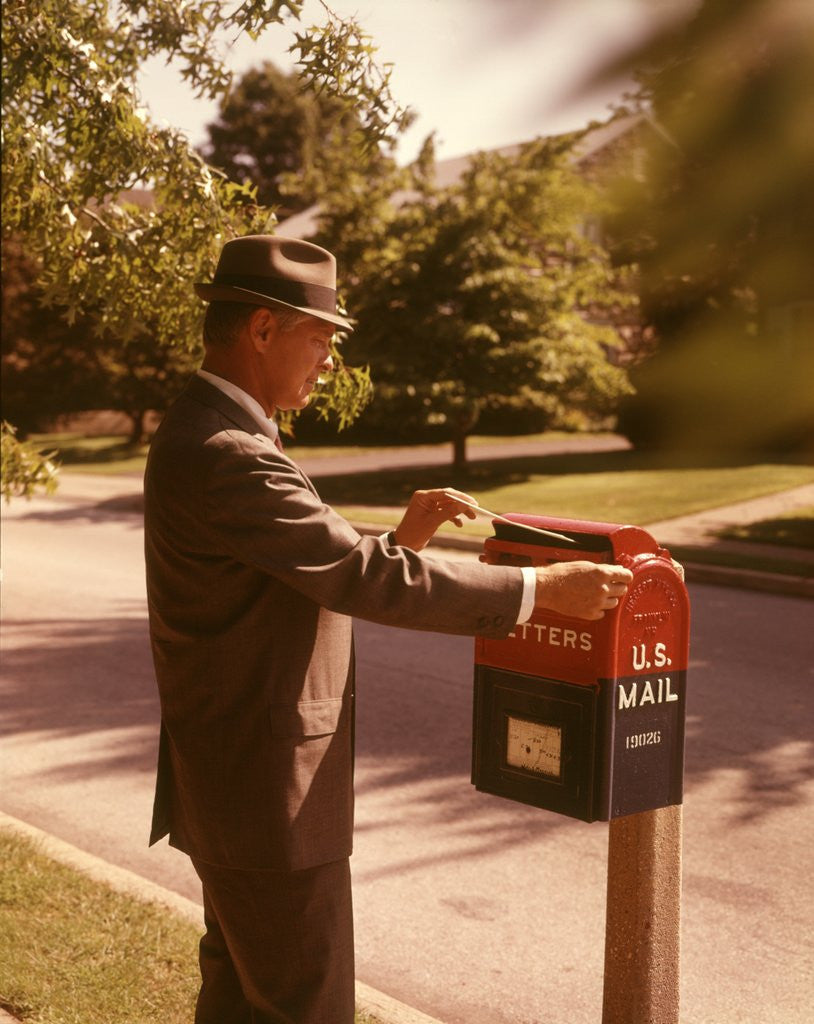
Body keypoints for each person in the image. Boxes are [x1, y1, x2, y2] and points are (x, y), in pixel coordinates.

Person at [143, 234, 632, 1023]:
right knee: (308, 1007)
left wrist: (401, 541)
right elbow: (360, 578)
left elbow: (303, 568)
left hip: (236, 789)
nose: (329, 360)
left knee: (240, 1000)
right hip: (269, 801)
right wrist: (541, 592)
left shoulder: (208, 429)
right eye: (321, 337)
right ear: (264, 329)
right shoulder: (228, 450)